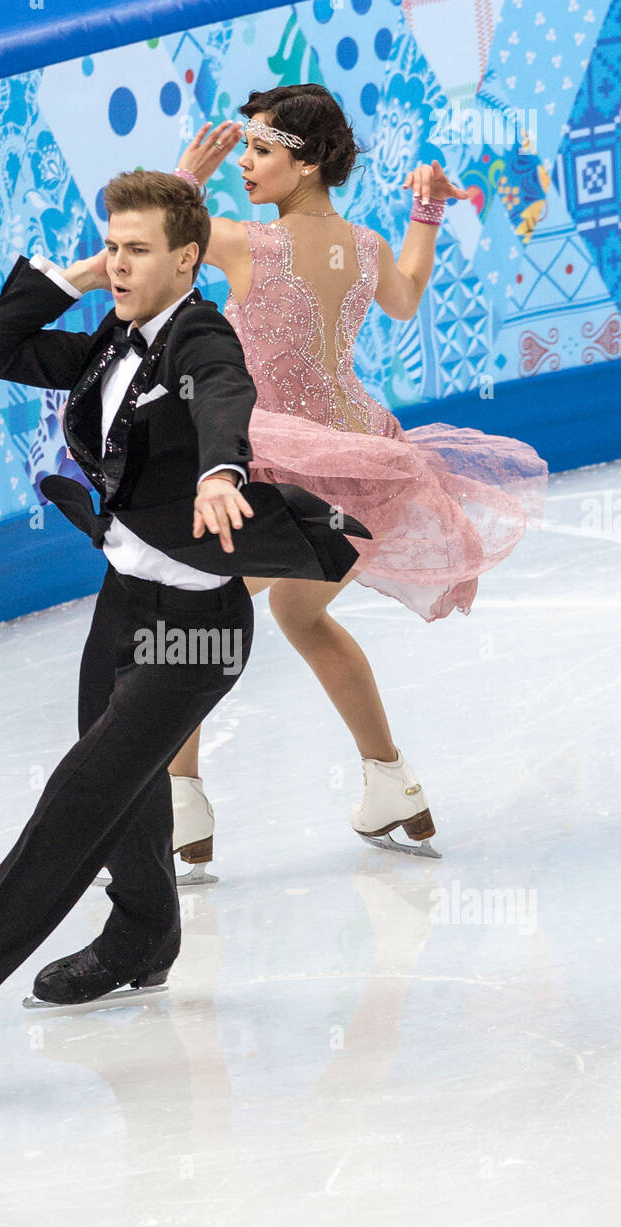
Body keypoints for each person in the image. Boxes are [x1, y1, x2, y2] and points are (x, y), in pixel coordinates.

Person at [0, 170, 370, 1111]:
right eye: (113, 246)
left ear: (189, 261)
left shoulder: (201, 337)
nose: (121, 263)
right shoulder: (111, 337)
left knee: (75, 803)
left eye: (137, 251)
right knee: (123, 792)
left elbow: (223, 393)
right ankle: (143, 936)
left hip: (198, 630)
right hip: (124, 600)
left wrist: (220, 470)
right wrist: (84, 274)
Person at [156, 83, 548, 878]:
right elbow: (403, 298)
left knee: (183, 604)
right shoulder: (364, 246)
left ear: (304, 165)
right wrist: (426, 211)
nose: (246, 167)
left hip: (285, 461)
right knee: (302, 615)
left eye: (260, 152)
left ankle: (179, 804)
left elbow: (159, 254)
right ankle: (390, 784)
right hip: (364, 462)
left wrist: (184, 181)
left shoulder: (243, 245)